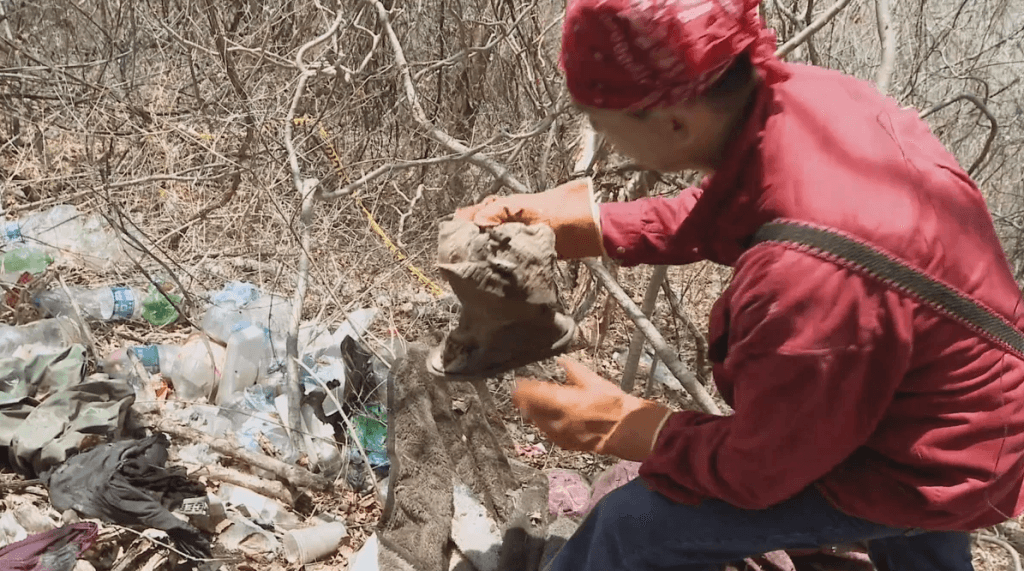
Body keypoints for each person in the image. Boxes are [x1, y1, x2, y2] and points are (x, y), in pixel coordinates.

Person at [454, 0, 1024, 570]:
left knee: (632, 525)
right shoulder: (805, 98)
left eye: (607, 127)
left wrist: (630, 427)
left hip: (934, 458)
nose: (608, 141)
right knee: (920, 532)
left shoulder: (806, 280)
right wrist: (587, 227)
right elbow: (748, 204)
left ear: (674, 121)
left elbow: (762, 468)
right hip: (959, 405)